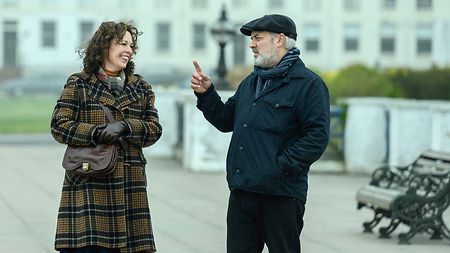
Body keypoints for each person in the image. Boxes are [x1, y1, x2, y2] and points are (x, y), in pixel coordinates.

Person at [191, 14, 330, 253]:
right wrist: (207, 94)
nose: (251, 44)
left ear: (280, 40)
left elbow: (317, 136)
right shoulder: (251, 82)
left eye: (258, 38)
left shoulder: (308, 84)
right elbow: (226, 120)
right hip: (242, 192)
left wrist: (278, 167)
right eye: (252, 39)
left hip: (281, 195)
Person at [50, 21, 162, 253]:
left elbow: (154, 130)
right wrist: (97, 133)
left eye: (131, 45)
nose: (129, 50)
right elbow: (59, 125)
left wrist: (127, 126)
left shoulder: (141, 87)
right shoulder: (79, 83)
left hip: (131, 186)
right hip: (89, 181)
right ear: (103, 47)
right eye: (122, 43)